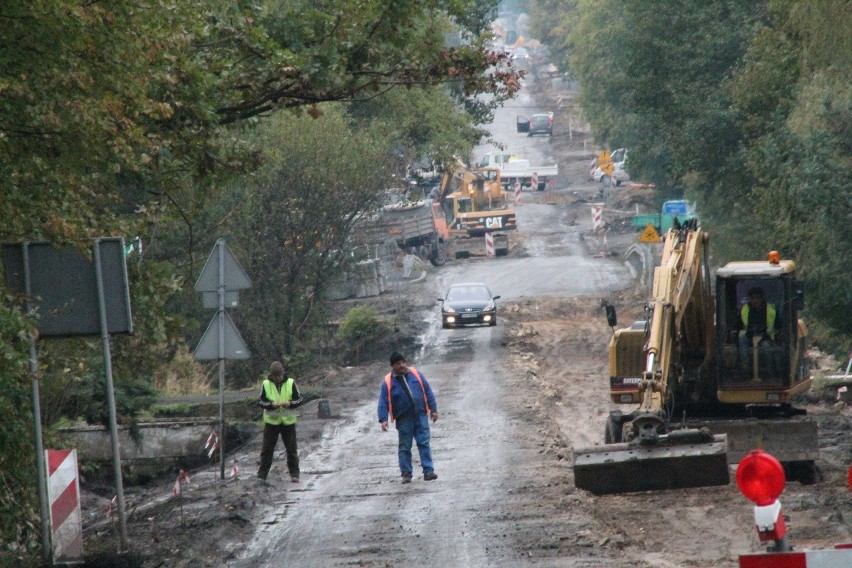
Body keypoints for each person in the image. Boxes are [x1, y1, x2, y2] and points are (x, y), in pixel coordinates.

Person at [377, 352, 439, 483]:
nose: (401, 365)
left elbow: (427, 391)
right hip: (404, 419)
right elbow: (383, 401)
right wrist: (383, 419)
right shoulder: (388, 382)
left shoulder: (416, 374)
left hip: (420, 415)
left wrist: (433, 410)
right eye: (398, 363)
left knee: (424, 443)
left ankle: (428, 471)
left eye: (402, 362)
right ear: (392, 365)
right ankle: (406, 473)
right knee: (405, 447)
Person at [257, 361, 303, 482]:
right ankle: (262, 476)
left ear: (283, 373)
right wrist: (272, 405)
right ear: (272, 375)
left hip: (288, 422)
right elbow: (261, 402)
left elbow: (299, 400)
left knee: (291, 450)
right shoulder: (266, 384)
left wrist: (290, 404)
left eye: (280, 375)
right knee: (267, 450)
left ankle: (294, 474)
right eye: (276, 376)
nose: (278, 378)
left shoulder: (291, 383)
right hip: (271, 423)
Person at [737, 287, 780, 372]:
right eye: (752, 298)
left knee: (765, 347)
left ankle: (769, 371)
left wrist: (778, 333)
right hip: (749, 336)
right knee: (742, 339)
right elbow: (737, 324)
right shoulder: (745, 309)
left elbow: (779, 325)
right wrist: (734, 331)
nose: (755, 301)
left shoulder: (771, 309)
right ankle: (745, 367)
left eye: (757, 298)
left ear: (762, 298)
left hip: (765, 337)